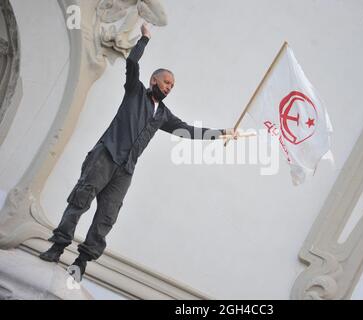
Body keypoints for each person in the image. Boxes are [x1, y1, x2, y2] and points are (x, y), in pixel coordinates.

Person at [39, 23, 238, 280]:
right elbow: (132, 63)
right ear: (154, 80)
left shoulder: (163, 115)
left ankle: (81, 262)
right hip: (105, 156)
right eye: (166, 82)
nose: (168, 87)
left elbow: (188, 131)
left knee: (106, 218)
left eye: (172, 86)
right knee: (80, 201)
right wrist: (144, 39)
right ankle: (57, 247)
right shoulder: (135, 92)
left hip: (125, 170)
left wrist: (222, 133)